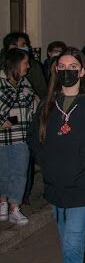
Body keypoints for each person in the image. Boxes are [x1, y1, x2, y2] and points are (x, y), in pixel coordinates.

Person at [28, 47, 85, 263]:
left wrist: (83, 161)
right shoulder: (47, 105)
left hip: (84, 185)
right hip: (55, 184)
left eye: (72, 67)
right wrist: (46, 161)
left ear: (82, 71)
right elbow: (33, 138)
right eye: (61, 67)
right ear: (55, 70)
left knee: (72, 244)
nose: (66, 71)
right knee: (65, 240)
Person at [0, 49, 37, 225]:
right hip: (2, 138)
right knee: (3, 172)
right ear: (15, 64)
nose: (28, 67)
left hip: (21, 135)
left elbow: (27, 109)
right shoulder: (1, 82)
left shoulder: (25, 83)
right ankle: (3, 204)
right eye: (25, 63)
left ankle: (15, 207)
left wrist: (10, 119)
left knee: (20, 173)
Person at [1, 32, 47, 98]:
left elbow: (42, 92)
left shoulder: (33, 65)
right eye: (23, 45)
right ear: (12, 47)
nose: (26, 47)